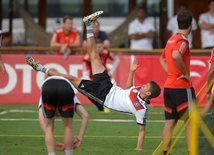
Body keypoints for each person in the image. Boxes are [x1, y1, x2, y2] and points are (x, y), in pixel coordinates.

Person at [26, 11, 161, 150]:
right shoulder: (138, 90)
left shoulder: (142, 109)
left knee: (71, 78)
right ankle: (89, 25)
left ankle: (39, 68)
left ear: (149, 93)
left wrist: (138, 148)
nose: (143, 85)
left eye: (146, 86)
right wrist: (132, 71)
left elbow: (142, 130)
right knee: (95, 56)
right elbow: (128, 90)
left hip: (102, 97)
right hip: (109, 86)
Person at [160, 10, 196, 155]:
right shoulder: (183, 41)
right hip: (182, 87)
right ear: (191, 24)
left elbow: (161, 58)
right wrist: (185, 74)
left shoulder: (171, 39)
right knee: (190, 122)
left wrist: (171, 73)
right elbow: (176, 55)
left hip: (169, 86)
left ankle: (165, 152)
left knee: (170, 122)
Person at [37, 75, 88, 155]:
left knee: (49, 126)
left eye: (56, 113)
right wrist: (79, 139)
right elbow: (85, 115)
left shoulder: (43, 95)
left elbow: (43, 122)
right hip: (65, 86)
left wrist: (79, 139)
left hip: (48, 86)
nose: (57, 113)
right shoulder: (71, 95)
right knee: (68, 126)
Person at [82, 38, 120, 111]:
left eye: (102, 47)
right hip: (93, 78)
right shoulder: (87, 57)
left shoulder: (105, 53)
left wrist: (111, 72)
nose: (102, 49)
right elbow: (85, 73)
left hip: (103, 77)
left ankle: (109, 107)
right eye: (99, 47)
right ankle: (101, 107)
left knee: (109, 93)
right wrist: (90, 83)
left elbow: (117, 60)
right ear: (94, 48)